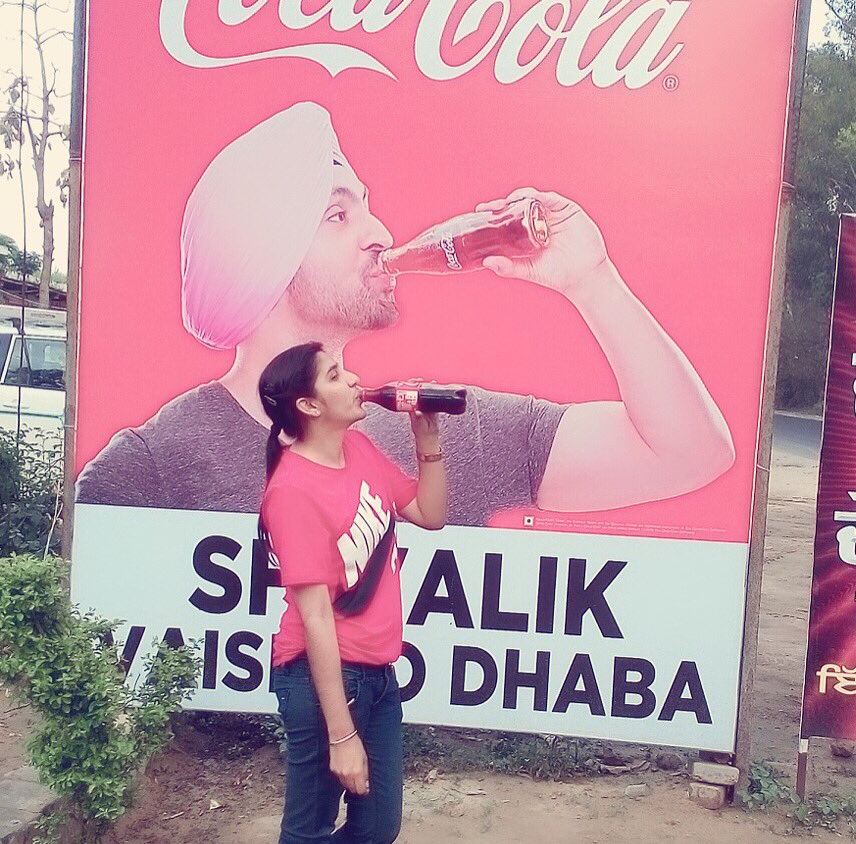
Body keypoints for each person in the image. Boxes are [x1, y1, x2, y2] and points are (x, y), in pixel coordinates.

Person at [76, 101, 735, 522]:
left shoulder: (447, 429)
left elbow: (688, 454)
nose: (381, 233)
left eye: (365, 206)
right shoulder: (152, 469)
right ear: (260, 258)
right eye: (338, 215)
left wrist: (593, 280)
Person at [259, 341, 446, 844]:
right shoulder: (292, 491)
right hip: (321, 679)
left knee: (378, 826)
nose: (355, 379)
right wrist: (341, 735)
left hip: (379, 676)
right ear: (309, 405)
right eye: (335, 375)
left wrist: (427, 440)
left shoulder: (359, 449)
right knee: (309, 830)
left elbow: (430, 514)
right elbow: (316, 618)